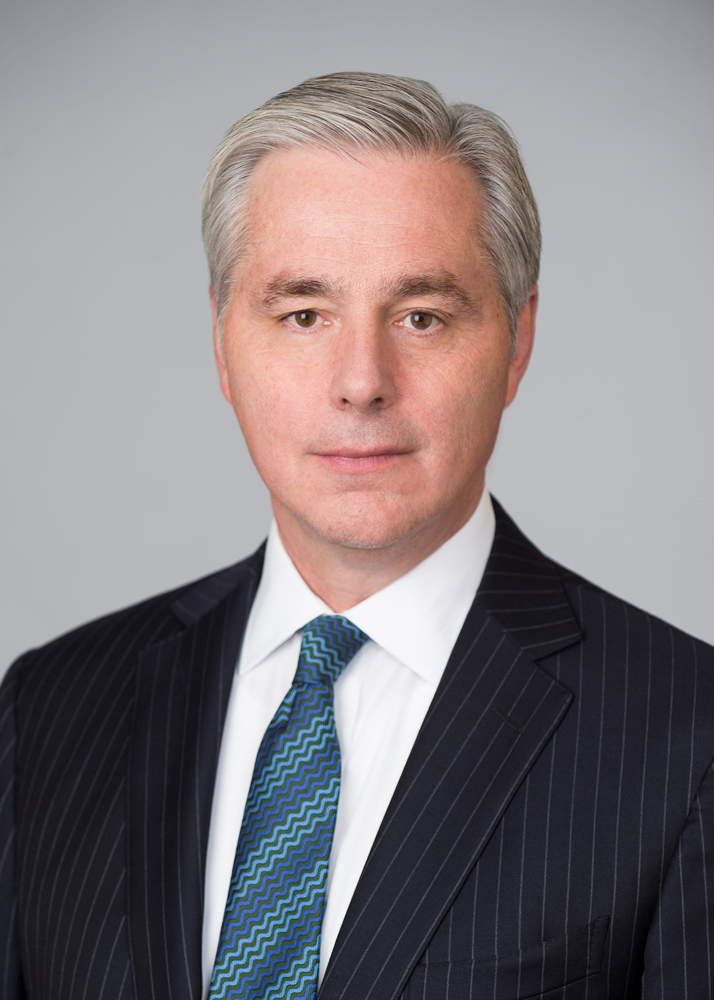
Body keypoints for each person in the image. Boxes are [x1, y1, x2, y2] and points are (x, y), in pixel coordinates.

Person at [1, 71, 712, 1000]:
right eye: (303, 315)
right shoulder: (47, 710)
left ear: (517, 343)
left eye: (422, 316)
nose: (362, 381)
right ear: (222, 342)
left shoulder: (687, 735)